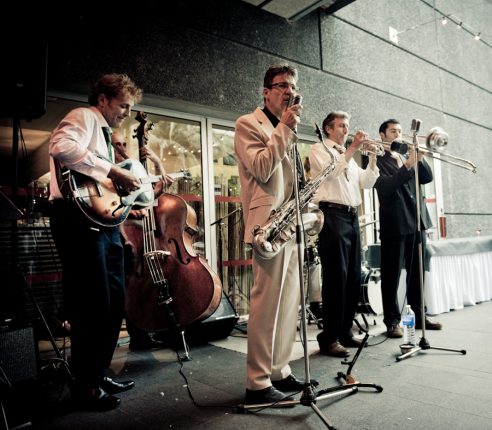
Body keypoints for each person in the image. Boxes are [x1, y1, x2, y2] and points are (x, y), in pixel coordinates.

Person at [49, 73, 143, 410]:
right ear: (102, 99)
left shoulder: (104, 135)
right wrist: (114, 171)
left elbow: (96, 189)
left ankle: (99, 372)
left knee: (113, 301)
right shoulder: (85, 116)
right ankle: (85, 387)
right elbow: (61, 147)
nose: (125, 113)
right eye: (123, 106)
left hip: (99, 226)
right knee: (92, 304)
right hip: (75, 223)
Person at [235, 64, 317, 405]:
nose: (289, 91)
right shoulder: (247, 124)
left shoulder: (289, 127)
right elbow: (262, 168)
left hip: (291, 224)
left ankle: (279, 370)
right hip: (267, 227)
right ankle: (256, 382)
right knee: (266, 306)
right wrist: (284, 127)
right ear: (265, 92)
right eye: (281, 85)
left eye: (293, 86)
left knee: (288, 306)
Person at [309, 111, 379, 357]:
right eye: (341, 126)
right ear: (329, 129)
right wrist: (352, 149)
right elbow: (330, 173)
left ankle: (345, 331)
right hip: (332, 215)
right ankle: (328, 337)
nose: (346, 130)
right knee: (335, 279)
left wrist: (371, 158)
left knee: (351, 277)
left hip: (351, 216)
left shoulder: (347, 156)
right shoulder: (318, 150)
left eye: (347, 125)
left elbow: (367, 182)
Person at [375, 119, 442, 338]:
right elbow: (386, 187)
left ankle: (419, 315)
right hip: (395, 223)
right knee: (392, 275)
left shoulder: (407, 154)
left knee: (417, 273)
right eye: (393, 131)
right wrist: (408, 165)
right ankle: (392, 321)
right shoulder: (377, 158)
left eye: (400, 131)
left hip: (417, 221)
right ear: (382, 135)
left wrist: (418, 158)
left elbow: (427, 177)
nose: (398, 134)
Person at [111, 130, 171, 351]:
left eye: (124, 143)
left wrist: (156, 164)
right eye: (117, 144)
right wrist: (129, 213)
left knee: (142, 285)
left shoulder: (132, 167)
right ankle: (136, 334)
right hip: (122, 235)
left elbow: (147, 198)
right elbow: (114, 206)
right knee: (128, 288)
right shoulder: (110, 173)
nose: (122, 148)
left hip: (139, 234)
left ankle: (143, 333)